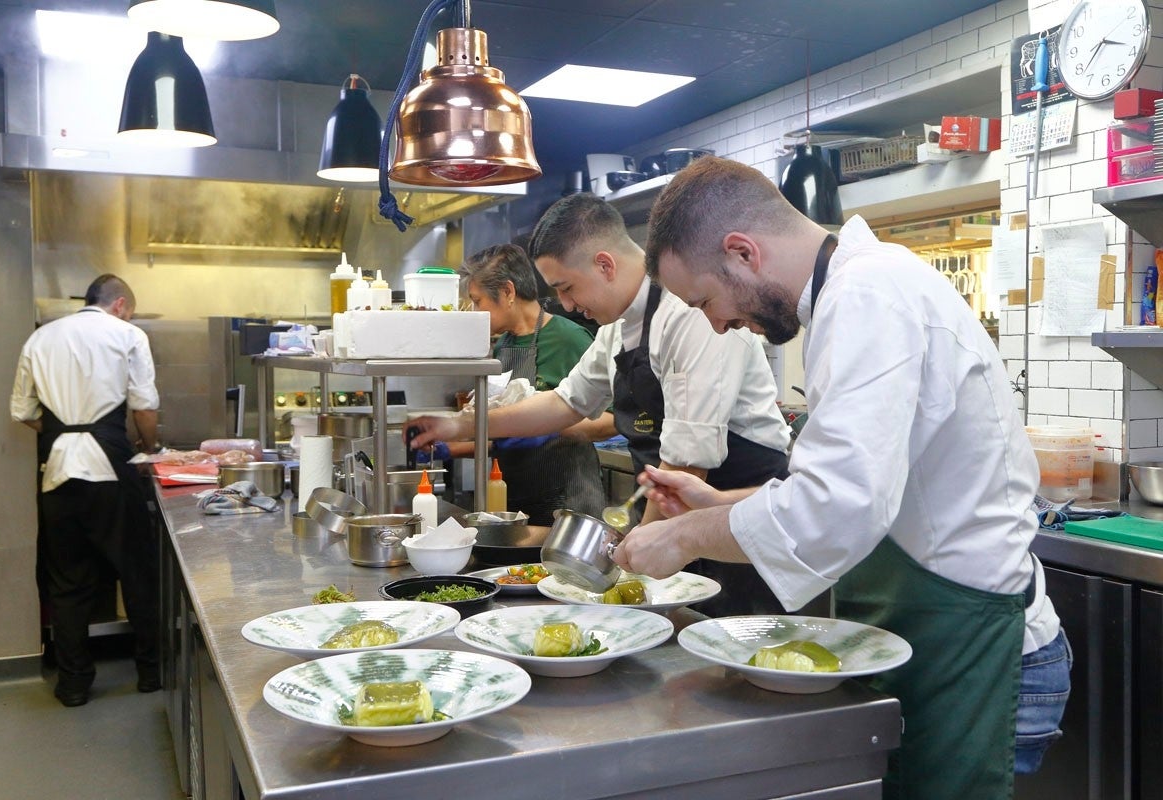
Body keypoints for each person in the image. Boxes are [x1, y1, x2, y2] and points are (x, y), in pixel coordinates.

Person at [619, 155, 1070, 798]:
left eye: (706, 301)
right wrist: (716, 503)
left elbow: (838, 507)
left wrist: (684, 538)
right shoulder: (858, 291)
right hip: (938, 633)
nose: (716, 323)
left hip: (977, 650)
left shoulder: (869, 292)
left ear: (743, 253)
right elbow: (862, 485)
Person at [409, 193, 794, 616]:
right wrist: (462, 425)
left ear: (605, 265)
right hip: (676, 507)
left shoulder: (688, 315)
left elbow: (688, 461)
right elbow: (563, 403)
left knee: (742, 646)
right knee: (686, 639)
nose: (569, 305)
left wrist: (637, 562)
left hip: (740, 510)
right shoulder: (618, 327)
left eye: (567, 288)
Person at [10, 274, 162, 708]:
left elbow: (22, 411)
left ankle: (73, 683)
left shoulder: (40, 338)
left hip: (56, 468)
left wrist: (63, 433)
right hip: (112, 461)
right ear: (119, 305)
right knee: (136, 570)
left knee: (67, 577)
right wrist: (151, 448)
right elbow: (144, 405)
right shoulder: (127, 334)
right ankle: (151, 673)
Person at [454, 243, 608, 525]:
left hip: (568, 498)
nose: (475, 311)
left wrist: (548, 426)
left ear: (508, 292)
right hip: (515, 496)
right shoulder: (503, 345)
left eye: (478, 301)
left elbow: (610, 422)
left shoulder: (568, 339)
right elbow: (506, 435)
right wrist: (449, 447)